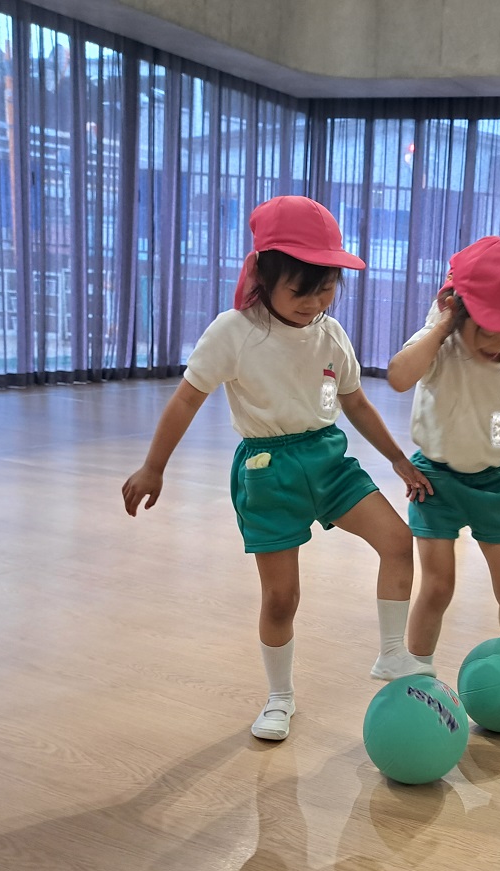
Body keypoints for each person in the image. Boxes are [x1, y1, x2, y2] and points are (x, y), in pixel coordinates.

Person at [121, 196, 434, 742]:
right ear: (264, 277)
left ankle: (391, 654)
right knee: (281, 597)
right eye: (300, 290)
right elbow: (187, 399)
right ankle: (280, 698)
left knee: (396, 540)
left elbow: (356, 402)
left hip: (328, 458)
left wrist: (398, 459)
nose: (314, 302)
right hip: (268, 471)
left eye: (326, 288)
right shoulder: (234, 331)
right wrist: (154, 466)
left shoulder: (330, 334)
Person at [387, 236, 500, 666]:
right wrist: (445, 324)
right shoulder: (439, 348)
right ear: (458, 311)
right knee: (437, 587)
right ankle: (417, 673)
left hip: (493, 484)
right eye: (487, 329)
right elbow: (399, 378)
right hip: (434, 482)